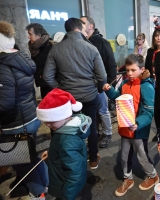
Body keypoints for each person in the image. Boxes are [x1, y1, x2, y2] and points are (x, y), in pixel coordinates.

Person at [43, 18, 107, 169]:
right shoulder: (91, 48)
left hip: (68, 99)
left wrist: (60, 89)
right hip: (90, 95)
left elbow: (47, 77)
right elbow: (102, 76)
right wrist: (96, 89)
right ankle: (92, 159)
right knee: (91, 127)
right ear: (79, 29)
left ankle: (74, 160)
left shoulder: (56, 49)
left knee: (70, 129)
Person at [0, 21, 48, 199]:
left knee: (22, 161)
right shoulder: (21, 58)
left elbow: (5, 103)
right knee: (30, 156)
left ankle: (39, 193)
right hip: (29, 115)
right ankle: (45, 184)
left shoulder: (3, 66)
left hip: (17, 121)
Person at [103, 54, 159, 197]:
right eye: (127, 70)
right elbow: (117, 98)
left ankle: (152, 176)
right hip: (124, 128)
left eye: (133, 70)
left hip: (138, 130)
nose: (129, 73)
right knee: (124, 155)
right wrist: (110, 90)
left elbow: (148, 111)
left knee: (142, 155)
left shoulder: (146, 86)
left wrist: (138, 123)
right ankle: (128, 179)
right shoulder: (124, 83)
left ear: (142, 69)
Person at [36, 88, 91, 200]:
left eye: (51, 121)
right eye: (45, 121)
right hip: (62, 179)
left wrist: (67, 196)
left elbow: (75, 174)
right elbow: (62, 151)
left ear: (65, 116)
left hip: (64, 185)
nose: (47, 125)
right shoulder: (66, 129)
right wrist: (51, 153)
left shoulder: (67, 141)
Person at [80, 16, 116, 148]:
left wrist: (108, 85)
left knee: (102, 111)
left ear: (90, 26)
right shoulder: (81, 42)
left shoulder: (101, 42)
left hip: (101, 85)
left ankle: (107, 134)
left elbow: (111, 64)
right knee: (92, 112)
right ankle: (96, 133)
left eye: (83, 23)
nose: (80, 25)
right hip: (87, 86)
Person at [26, 23, 53, 98]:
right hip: (43, 84)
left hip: (52, 87)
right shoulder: (35, 48)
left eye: (30, 34)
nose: (28, 37)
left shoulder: (50, 47)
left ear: (39, 35)